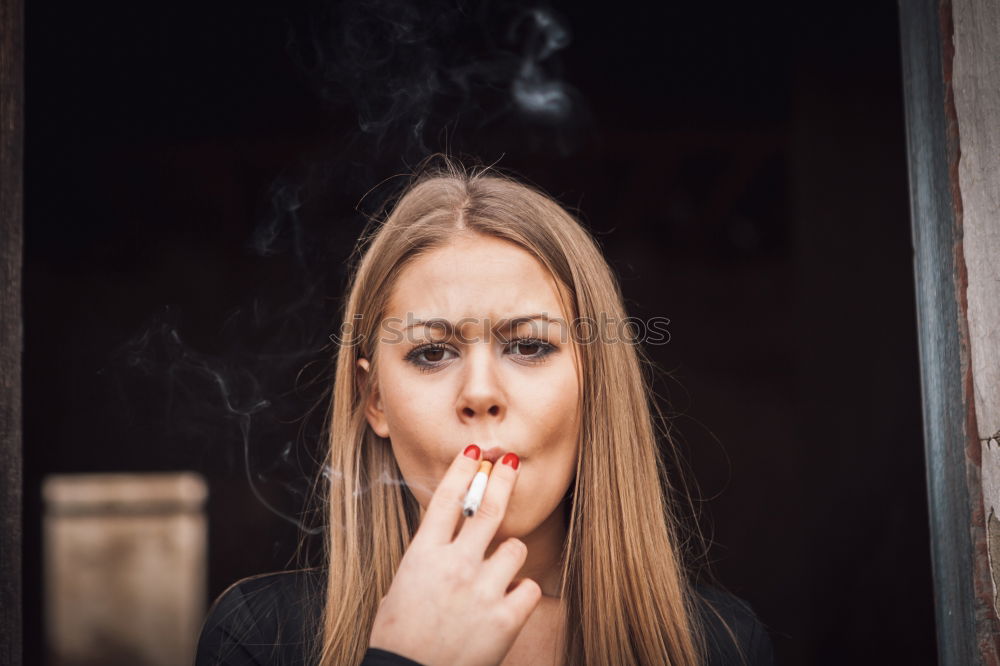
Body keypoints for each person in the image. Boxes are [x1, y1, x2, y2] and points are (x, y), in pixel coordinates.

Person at [195, 156, 776, 665]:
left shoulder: (718, 645)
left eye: (529, 345)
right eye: (430, 352)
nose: (480, 392)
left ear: (596, 387)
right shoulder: (263, 638)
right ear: (375, 402)